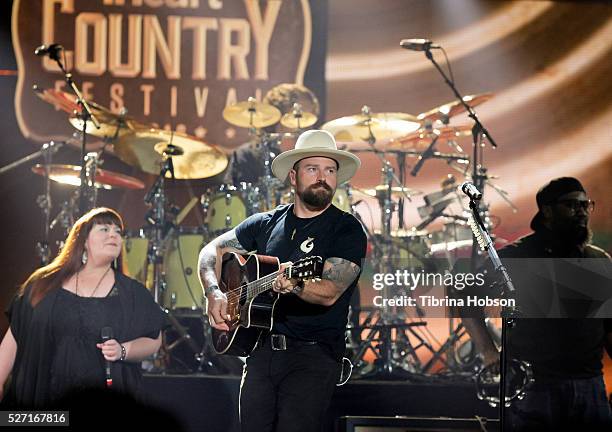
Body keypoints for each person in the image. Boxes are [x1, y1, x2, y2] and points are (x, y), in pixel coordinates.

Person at [199, 130, 367, 432]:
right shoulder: (265, 223)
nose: (322, 177)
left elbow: (330, 290)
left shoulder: (346, 229)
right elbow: (211, 251)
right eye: (312, 169)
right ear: (294, 176)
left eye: (330, 170)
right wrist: (214, 291)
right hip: (260, 354)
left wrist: (298, 284)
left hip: (313, 357)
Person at [462, 177, 612, 430]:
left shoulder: (597, 259)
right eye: (572, 205)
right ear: (548, 210)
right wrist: (487, 350)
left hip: (590, 384)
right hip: (536, 388)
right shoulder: (518, 256)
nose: (582, 211)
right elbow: (464, 298)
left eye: (586, 205)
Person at [0, 207, 167, 408]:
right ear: (83, 240)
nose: (113, 234)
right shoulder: (43, 283)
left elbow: (154, 339)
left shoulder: (132, 292)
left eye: (118, 231)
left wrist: (123, 350)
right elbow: (15, 336)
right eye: (104, 229)